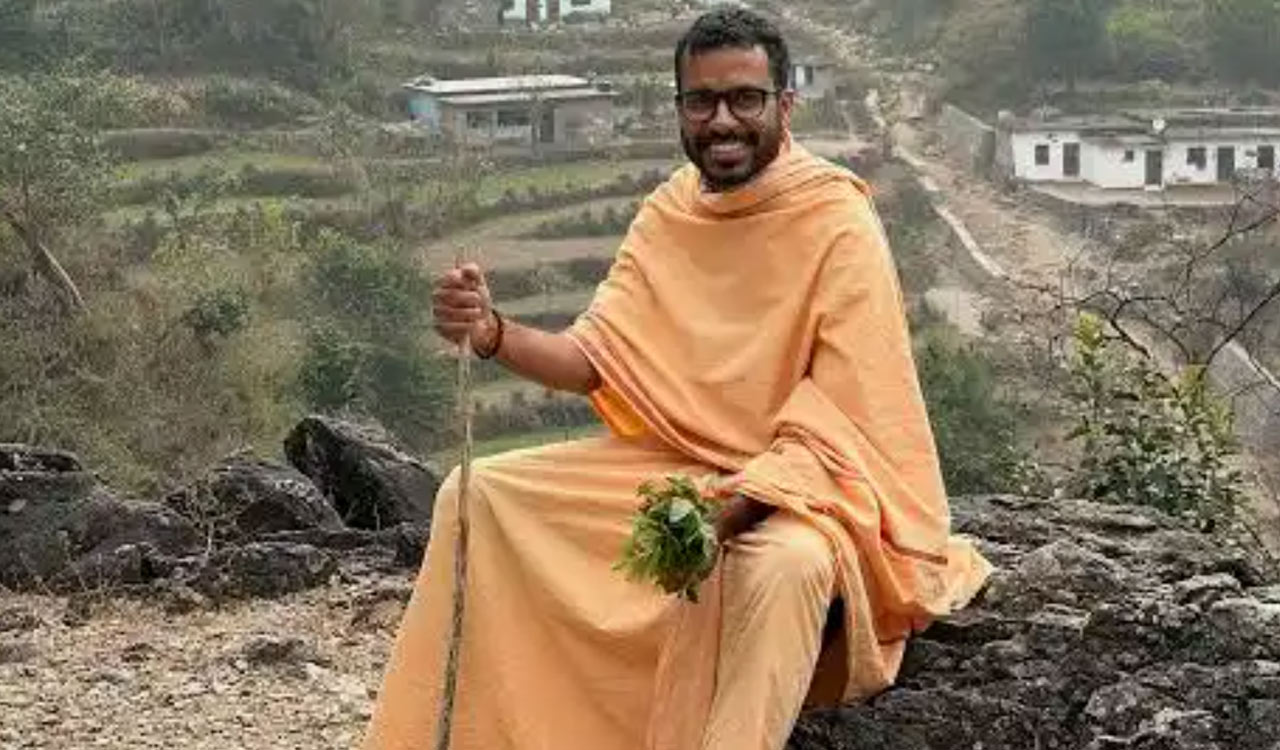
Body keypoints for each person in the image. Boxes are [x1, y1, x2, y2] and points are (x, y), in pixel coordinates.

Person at [362, 8, 991, 750]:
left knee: (783, 568)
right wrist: (492, 332)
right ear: (680, 109)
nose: (723, 121)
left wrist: (740, 504)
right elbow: (595, 358)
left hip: (803, 494)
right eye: (702, 101)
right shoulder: (668, 212)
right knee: (477, 496)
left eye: (745, 99)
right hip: (681, 474)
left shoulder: (835, 219)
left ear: (785, 105)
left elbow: (850, 416)